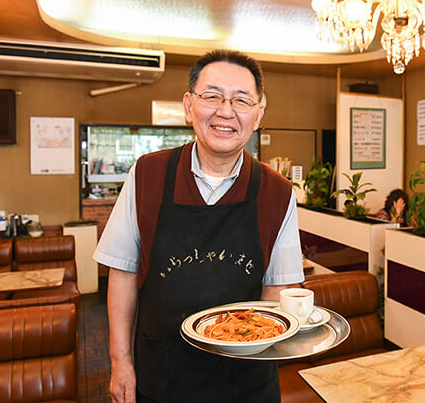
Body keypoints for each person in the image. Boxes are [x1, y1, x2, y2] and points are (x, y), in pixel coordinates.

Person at [93, 49, 304, 403]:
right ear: (189, 106)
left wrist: (253, 338)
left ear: (258, 114)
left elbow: (278, 289)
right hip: (163, 374)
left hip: (247, 381)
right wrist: (120, 361)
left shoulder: (278, 191)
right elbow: (123, 274)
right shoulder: (147, 174)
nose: (226, 111)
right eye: (212, 96)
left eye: (241, 100)